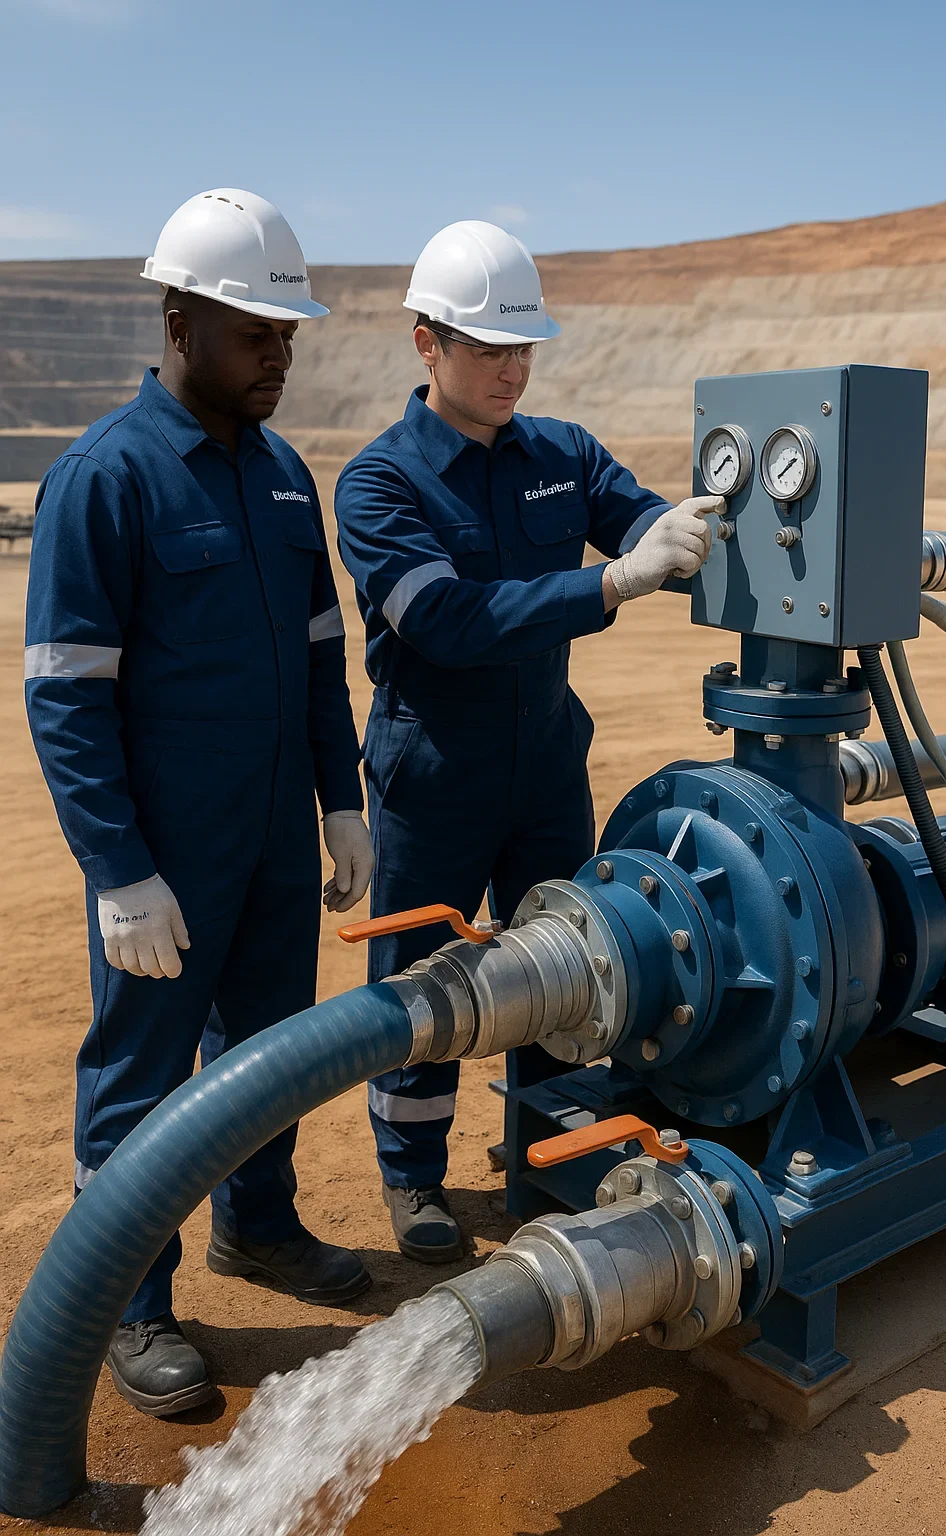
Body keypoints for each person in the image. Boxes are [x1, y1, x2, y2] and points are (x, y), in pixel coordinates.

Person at [24, 188, 375, 1417]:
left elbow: (324, 655)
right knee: (140, 1071)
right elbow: (65, 697)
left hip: (278, 842)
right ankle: (130, 1302)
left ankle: (259, 1228)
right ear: (177, 321)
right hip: (168, 858)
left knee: (270, 1058)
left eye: (287, 336)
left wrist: (342, 800)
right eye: (253, 334)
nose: (278, 356)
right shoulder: (102, 480)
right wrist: (118, 869)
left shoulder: (284, 476)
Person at [335, 220, 720, 1265]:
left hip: (545, 764)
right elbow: (445, 622)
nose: (511, 368)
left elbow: (642, 522)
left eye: (522, 348)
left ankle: (549, 1158)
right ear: (426, 344)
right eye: (486, 347)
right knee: (423, 985)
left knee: (571, 973)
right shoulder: (379, 485)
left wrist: (694, 528)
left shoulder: (563, 454)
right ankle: (414, 1180)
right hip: (434, 773)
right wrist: (611, 582)